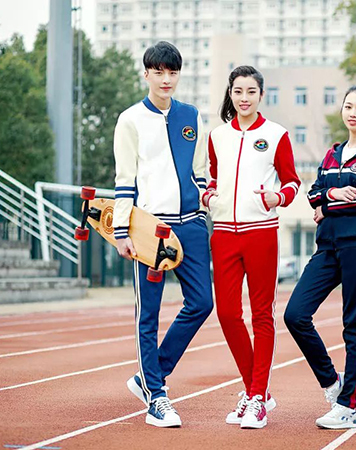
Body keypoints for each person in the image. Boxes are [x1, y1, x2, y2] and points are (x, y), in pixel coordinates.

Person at [112, 41, 213, 428]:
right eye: (159, 72)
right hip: (150, 230)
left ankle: (149, 374)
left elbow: (200, 171)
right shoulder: (130, 120)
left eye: (172, 72)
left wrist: (205, 203)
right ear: (147, 75)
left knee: (201, 303)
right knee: (149, 314)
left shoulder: (191, 116)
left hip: (191, 224)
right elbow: (125, 180)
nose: (166, 79)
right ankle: (156, 396)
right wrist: (122, 230)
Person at [284, 85, 356, 429]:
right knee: (295, 314)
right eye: (348, 106)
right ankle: (332, 382)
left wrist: (327, 206)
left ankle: (347, 406)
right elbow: (312, 194)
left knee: (354, 325)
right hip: (326, 248)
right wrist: (331, 193)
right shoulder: (332, 154)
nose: (353, 113)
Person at [203, 65, 300, 429]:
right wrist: (209, 196)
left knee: (262, 315)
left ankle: (257, 397)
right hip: (224, 233)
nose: (244, 98)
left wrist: (278, 197)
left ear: (261, 95)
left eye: (251, 91)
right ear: (230, 94)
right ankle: (256, 390)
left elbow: (292, 181)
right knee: (227, 314)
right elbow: (212, 178)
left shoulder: (276, 134)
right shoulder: (217, 136)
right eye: (238, 91)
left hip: (261, 233)